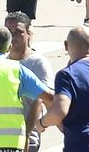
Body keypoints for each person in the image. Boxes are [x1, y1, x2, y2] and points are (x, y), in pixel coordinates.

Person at [4, 11, 54, 152]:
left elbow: (41, 100)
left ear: (28, 33)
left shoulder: (37, 63)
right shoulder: (1, 62)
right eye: (8, 31)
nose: (13, 37)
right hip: (2, 134)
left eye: (18, 32)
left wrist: (26, 135)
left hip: (28, 135)